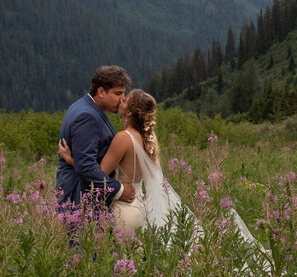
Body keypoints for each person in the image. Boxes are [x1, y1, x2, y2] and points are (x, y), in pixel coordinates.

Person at [60, 88, 257, 244]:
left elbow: (97, 174)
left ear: (129, 112)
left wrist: (70, 160)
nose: (121, 100)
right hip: (138, 208)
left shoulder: (123, 138)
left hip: (122, 209)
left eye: (125, 99)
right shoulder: (146, 141)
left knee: (119, 270)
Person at [56, 66, 136, 226]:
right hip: (80, 200)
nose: (122, 99)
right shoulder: (87, 116)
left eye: (123, 93)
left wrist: (73, 160)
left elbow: (84, 162)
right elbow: (86, 167)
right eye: (118, 93)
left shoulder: (82, 107)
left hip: (84, 197)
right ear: (101, 92)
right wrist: (119, 190)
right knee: (86, 249)